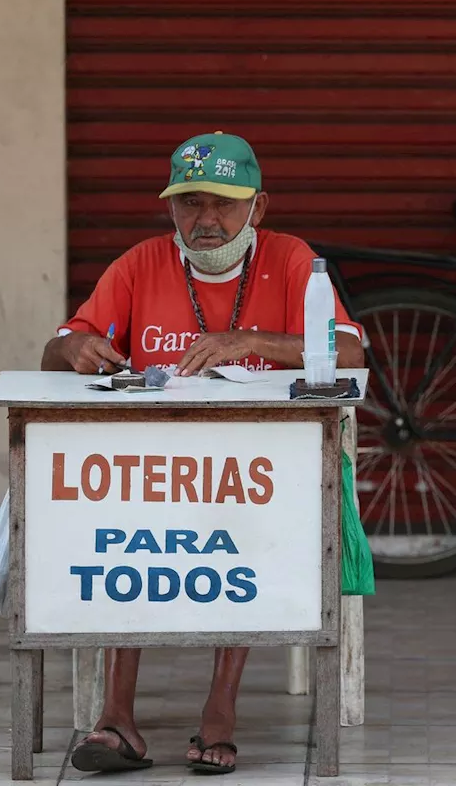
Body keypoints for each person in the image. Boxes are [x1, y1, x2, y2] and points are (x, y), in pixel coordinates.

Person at [41, 131, 364, 775]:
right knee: (120, 530)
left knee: (243, 528)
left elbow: (349, 354)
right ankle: (117, 720)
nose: (205, 221)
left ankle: (220, 710)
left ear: (259, 207)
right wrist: (74, 350)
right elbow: (57, 350)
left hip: (258, 475)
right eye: (189, 204)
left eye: (223, 204)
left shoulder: (294, 260)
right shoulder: (140, 264)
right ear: (170, 209)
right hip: (153, 473)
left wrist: (247, 339)